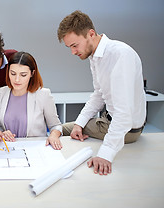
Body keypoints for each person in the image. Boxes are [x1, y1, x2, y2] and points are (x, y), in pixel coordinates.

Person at [57, 10, 146, 175]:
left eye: (75, 45)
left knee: (60, 129)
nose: (73, 52)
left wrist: (105, 154)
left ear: (91, 34)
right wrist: (80, 123)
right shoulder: (96, 57)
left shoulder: (120, 55)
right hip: (112, 120)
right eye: (69, 47)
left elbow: (124, 115)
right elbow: (99, 94)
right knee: (73, 127)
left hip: (126, 129)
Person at [0, 52, 63, 150]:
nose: (17, 79)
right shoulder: (0, 93)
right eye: (13, 73)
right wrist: (1, 134)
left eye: (23, 75)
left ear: (32, 74)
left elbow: (56, 126)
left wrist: (54, 135)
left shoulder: (43, 95)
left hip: (35, 150)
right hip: (8, 149)